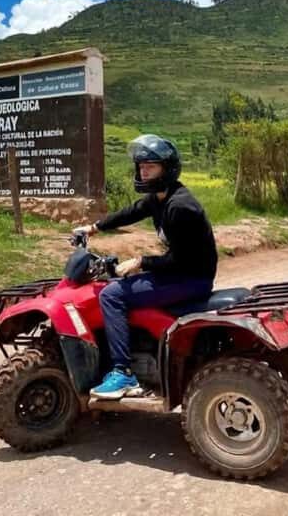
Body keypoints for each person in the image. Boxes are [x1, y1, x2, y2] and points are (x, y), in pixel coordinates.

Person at [74, 134, 218, 399]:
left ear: (167, 168)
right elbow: (132, 211)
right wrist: (93, 228)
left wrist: (141, 263)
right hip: (184, 273)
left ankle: (122, 373)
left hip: (191, 278)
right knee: (116, 285)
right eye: (141, 166)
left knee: (112, 295)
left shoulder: (180, 207)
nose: (143, 171)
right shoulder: (162, 197)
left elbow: (183, 260)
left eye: (150, 166)